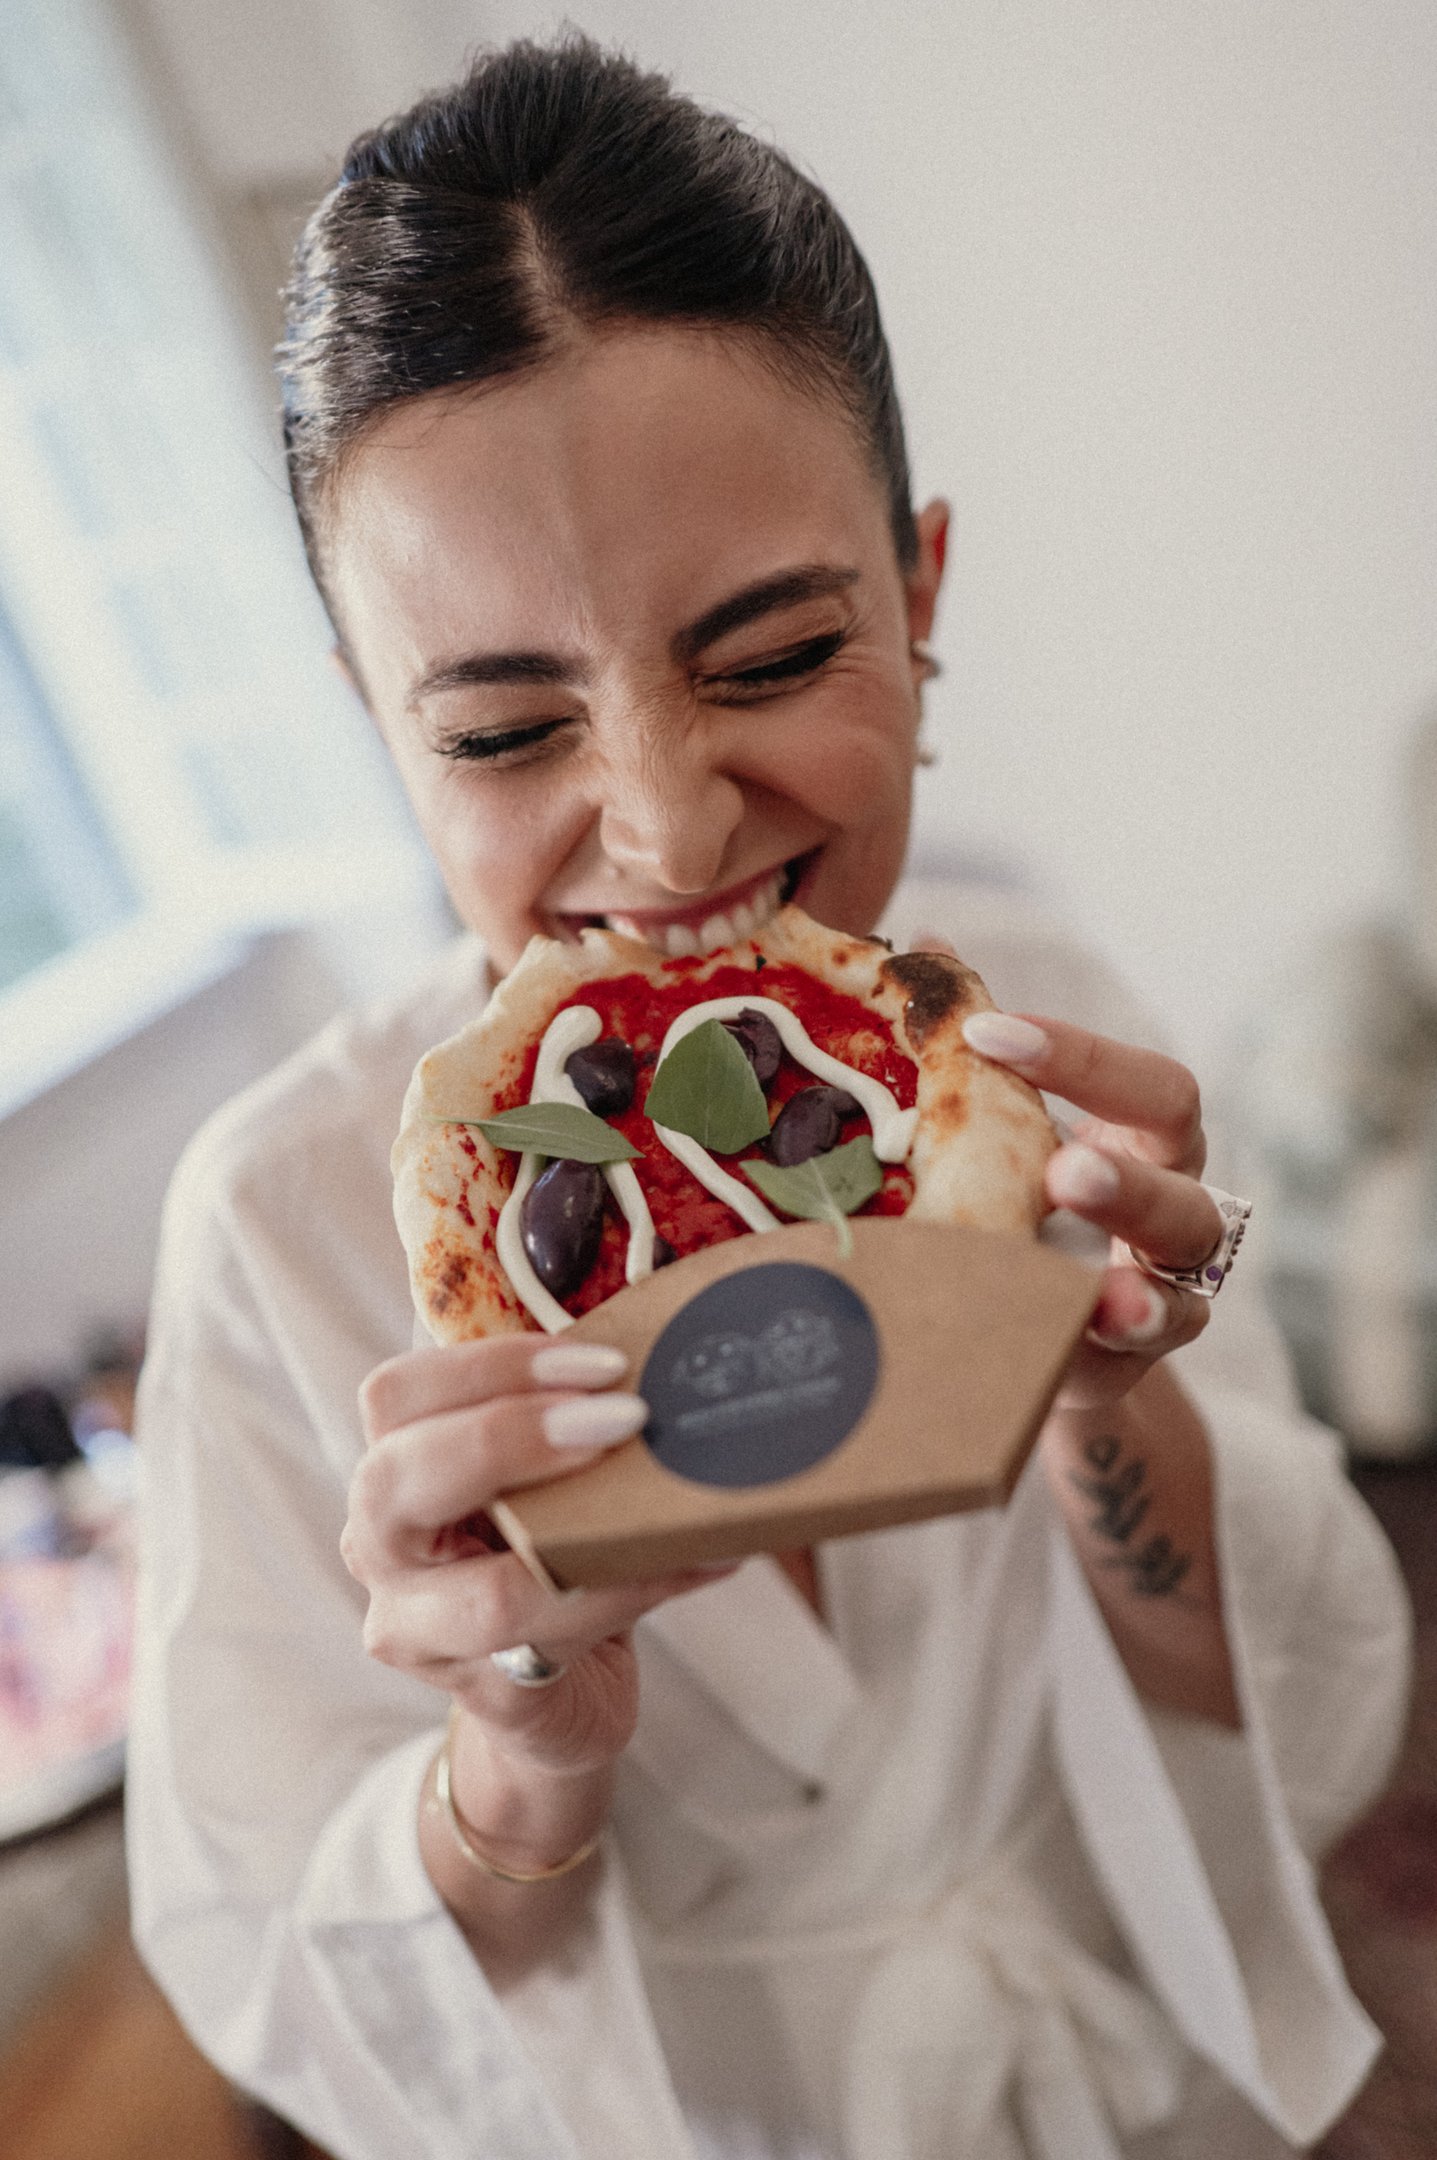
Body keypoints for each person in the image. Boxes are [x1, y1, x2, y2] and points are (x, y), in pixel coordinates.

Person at [126, 37, 1410, 2160]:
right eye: (501, 728)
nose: (662, 825)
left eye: (762, 658)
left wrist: (1108, 1392)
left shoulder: (1045, 1041)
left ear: (915, 596)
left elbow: (1300, 1732)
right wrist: (518, 1731)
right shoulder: (281, 1227)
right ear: (376, 721)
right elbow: (287, 1979)